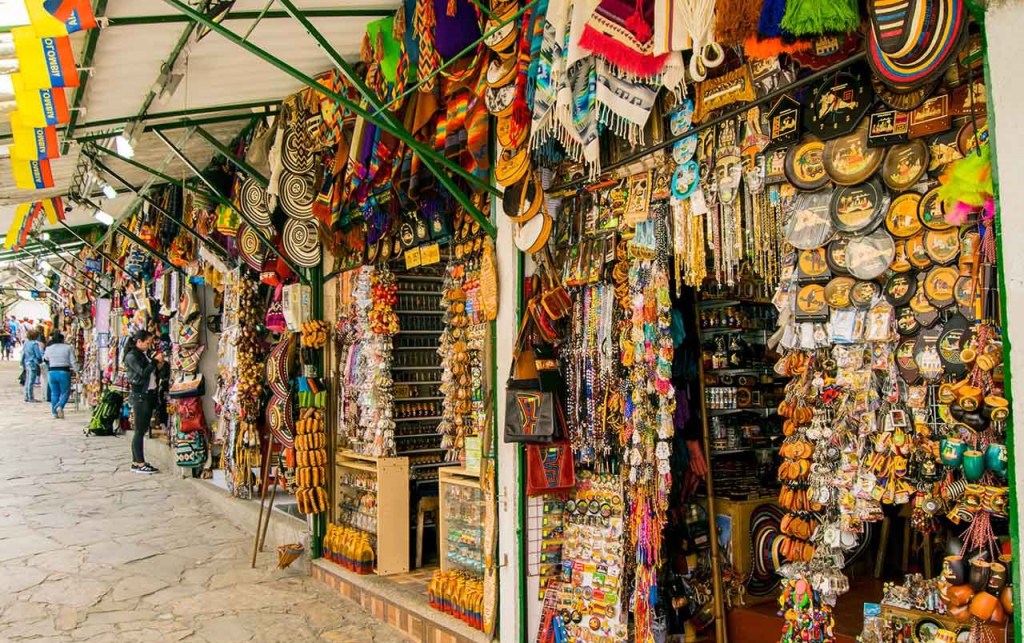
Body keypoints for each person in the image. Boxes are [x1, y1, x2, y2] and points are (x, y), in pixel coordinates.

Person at [124, 330, 163, 474]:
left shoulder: (142, 354)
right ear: (139, 342)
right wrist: (155, 361)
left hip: (147, 394)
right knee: (139, 431)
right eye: (147, 343)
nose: (149, 345)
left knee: (141, 430)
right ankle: (140, 463)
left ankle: (137, 462)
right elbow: (143, 372)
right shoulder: (132, 356)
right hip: (140, 396)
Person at [43, 332, 76, 419]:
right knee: (65, 392)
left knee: (54, 393)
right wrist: (77, 371)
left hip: (52, 372)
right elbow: (73, 361)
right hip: (64, 371)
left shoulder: (49, 348)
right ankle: (60, 406)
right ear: (62, 339)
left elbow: (45, 358)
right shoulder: (68, 348)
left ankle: (54, 412)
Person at [21, 329, 43, 402]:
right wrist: (40, 361)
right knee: (31, 381)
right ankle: (31, 397)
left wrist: (22, 363)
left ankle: (26, 396)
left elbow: (23, 354)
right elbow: (38, 355)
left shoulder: (26, 343)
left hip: (27, 362)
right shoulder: (35, 344)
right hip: (33, 363)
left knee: (27, 380)